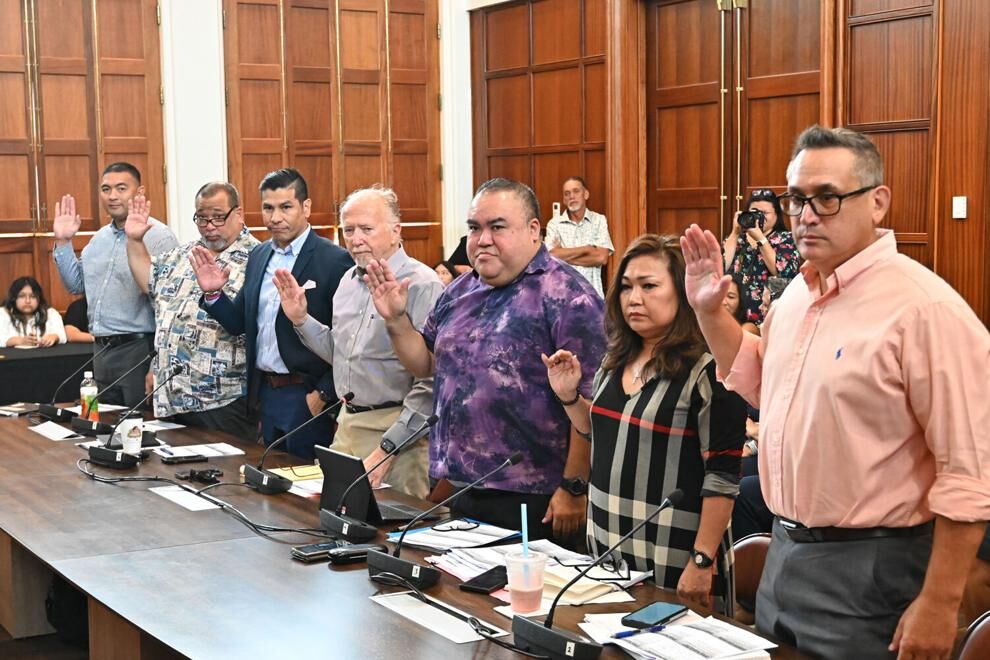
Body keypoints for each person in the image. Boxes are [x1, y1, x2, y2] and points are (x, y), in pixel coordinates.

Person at [681, 125, 990, 659]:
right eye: (797, 198)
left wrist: (940, 601)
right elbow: (761, 384)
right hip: (786, 551)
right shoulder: (799, 293)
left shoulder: (924, 309)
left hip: (874, 568)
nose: (806, 214)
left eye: (827, 197)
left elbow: (969, 473)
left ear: (877, 202)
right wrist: (710, 313)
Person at [364, 178, 606, 543]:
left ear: (533, 231)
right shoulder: (461, 290)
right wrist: (397, 321)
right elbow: (426, 365)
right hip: (464, 486)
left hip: (535, 496)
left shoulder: (569, 297)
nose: (483, 239)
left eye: (497, 227)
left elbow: (590, 407)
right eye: (475, 228)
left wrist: (574, 487)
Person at [542, 234, 745, 616]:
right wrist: (569, 397)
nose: (634, 298)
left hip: (675, 551)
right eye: (626, 287)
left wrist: (702, 560)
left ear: (683, 292)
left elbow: (723, 476)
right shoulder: (615, 359)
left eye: (649, 286)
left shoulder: (710, 368)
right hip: (609, 539)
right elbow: (603, 433)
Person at [274, 186, 444, 498]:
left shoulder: (421, 285)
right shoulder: (348, 281)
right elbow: (342, 355)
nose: (355, 239)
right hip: (348, 424)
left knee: (392, 539)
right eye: (348, 230)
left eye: (366, 229)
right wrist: (301, 319)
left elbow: (431, 382)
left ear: (396, 231)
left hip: (397, 434)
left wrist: (389, 448)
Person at [191, 168, 352, 459]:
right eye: (268, 208)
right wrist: (214, 294)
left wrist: (322, 396)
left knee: (308, 490)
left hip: (306, 393)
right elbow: (239, 323)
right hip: (265, 393)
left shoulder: (335, 260)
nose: (275, 217)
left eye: (285, 207)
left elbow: (346, 339)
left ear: (306, 207)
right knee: (270, 486)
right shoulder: (259, 254)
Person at [125, 182, 259, 439]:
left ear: (239, 214)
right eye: (202, 218)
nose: (209, 226)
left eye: (218, 217)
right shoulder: (184, 254)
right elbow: (148, 281)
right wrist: (134, 240)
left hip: (222, 401)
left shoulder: (258, 257)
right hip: (173, 396)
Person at [52, 162, 178, 405]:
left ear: (139, 192)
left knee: (139, 429)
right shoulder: (99, 238)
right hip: (101, 350)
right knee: (105, 427)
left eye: (121, 188)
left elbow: (169, 303)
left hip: (139, 349)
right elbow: (76, 285)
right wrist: (63, 242)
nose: (112, 196)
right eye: (106, 189)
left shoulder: (159, 235)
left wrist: (158, 361)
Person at [721, 189, 800, 324]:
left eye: (764, 213)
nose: (758, 217)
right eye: (754, 212)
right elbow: (722, 266)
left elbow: (783, 271)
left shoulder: (785, 239)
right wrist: (735, 232)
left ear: (776, 215)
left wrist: (760, 237)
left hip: (766, 316)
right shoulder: (736, 240)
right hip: (733, 314)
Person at [545, 176, 614, 297]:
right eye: (567, 194)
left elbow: (601, 258)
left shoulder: (599, 220)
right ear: (564, 200)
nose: (571, 196)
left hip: (592, 297)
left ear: (586, 194)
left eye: (576, 191)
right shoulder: (554, 224)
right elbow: (549, 256)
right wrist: (587, 249)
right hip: (562, 296)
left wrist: (563, 255)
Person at [0, 277, 66, 347]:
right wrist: (19, 341)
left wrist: (54, 337)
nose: (28, 301)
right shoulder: (3, 313)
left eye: (33, 296)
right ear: (13, 298)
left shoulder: (51, 313)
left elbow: (62, 336)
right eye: (22, 296)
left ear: (39, 298)